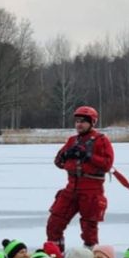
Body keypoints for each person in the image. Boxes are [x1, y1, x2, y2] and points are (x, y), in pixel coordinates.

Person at [45, 105, 114, 248]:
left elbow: (107, 164)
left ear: (92, 122)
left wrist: (87, 156)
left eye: (83, 121)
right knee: (54, 224)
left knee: (89, 229)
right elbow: (58, 162)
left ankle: (90, 257)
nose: (79, 124)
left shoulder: (101, 140)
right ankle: (56, 256)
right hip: (70, 189)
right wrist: (65, 155)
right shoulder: (72, 141)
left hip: (91, 191)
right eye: (77, 121)